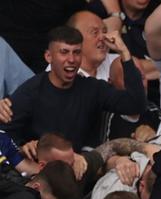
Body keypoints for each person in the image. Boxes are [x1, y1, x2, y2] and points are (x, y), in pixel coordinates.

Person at [0, 26, 145, 150]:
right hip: (39, 171)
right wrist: (21, 148)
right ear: (49, 56)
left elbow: (135, 104)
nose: (71, 59)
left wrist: (124, 53)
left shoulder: (91, 88)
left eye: (76, 52)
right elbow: (3, 135)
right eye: (64, 52)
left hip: (81, 168)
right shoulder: (30, 91)